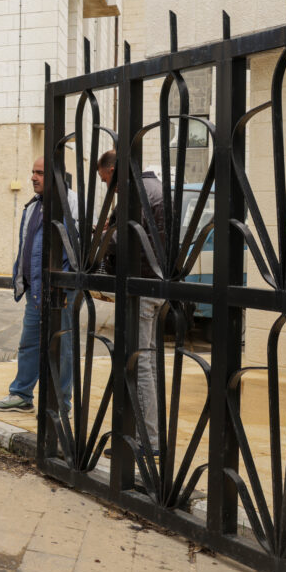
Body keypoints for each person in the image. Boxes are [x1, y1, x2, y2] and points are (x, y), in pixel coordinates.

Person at [0, 157, 76, 414]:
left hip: (60, 291)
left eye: (40, 173)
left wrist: (66, 281)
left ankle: (61, 403)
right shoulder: (33, 206)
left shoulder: (71, 203)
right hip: (35, 291)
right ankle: (21, 395)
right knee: (29, 344)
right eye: (33, 172)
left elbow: (79, 249)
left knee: (62, 347)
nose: (33, 177)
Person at [97, 149, 166, 453]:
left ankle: (147, 441)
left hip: (142, 286)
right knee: (141, 361)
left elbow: (124, 238)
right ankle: (139, 437)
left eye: (104, 180)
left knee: (141, 364)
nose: (106, 187)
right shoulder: (156, 187)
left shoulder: (137, 191)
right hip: (153, 283)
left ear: (112, 171)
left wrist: (100, 237)